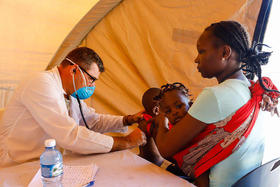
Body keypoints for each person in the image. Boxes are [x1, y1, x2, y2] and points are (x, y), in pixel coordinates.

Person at [152, 21, 280, 187]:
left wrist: (161, 116)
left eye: (202, 51)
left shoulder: (214, 95)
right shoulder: (257, 91)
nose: (196, 59)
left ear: (225, 52)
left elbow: (165, 149)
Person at [0, 47, 146, 167]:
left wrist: (127, 120)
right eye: (91, 79)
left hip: (47, 162)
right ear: (74, 70)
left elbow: (92, 121)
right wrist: (125, 142)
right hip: (17, 164)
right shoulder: (41, 83)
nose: (92, 86)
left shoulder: (68, 92)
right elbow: (69, 135)